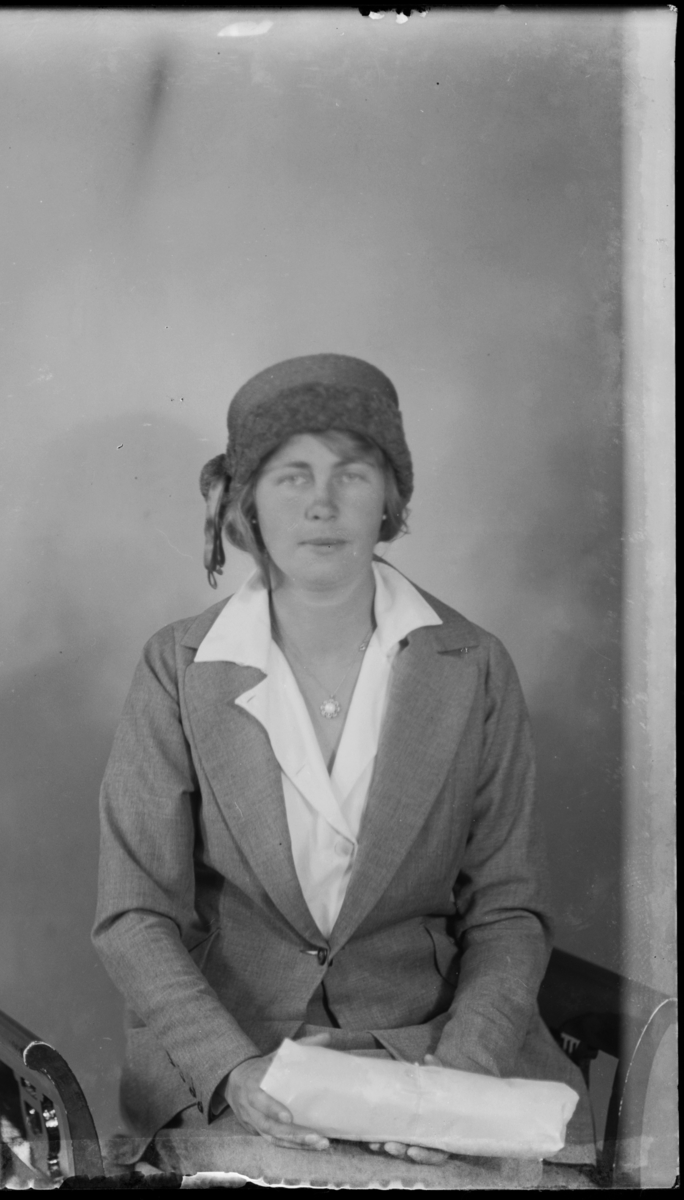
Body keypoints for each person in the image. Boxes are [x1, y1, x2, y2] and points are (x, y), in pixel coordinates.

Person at [92, 354, 595, 1167]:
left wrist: (462, 1073)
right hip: (242, 1060)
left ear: (390, 496)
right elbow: (134, 915)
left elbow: (508, 909)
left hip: (430, 1046)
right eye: (291, 476)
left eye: (352, 473)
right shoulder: (176, 669)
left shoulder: (474, 665)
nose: (322, 504)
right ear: (246, 501)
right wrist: (233, 1068)